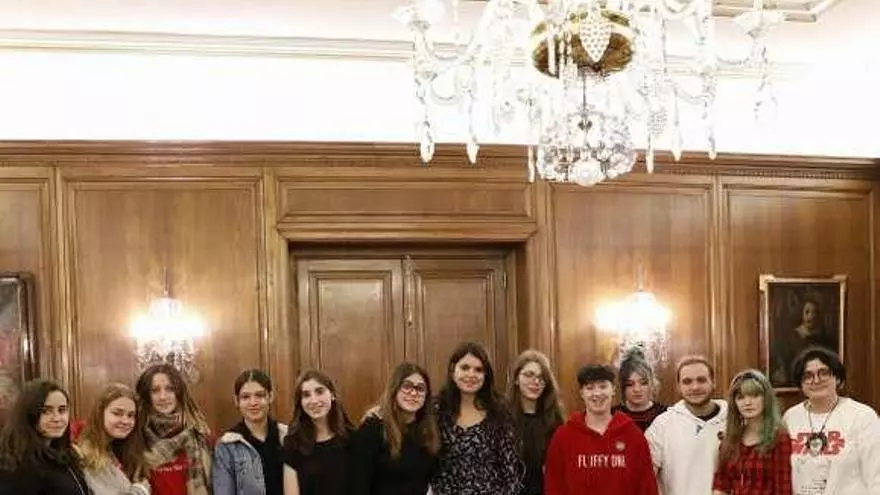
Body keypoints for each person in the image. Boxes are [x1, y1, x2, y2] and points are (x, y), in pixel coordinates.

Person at [544, 364, 658, 495]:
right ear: (582, 393)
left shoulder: (633, 435)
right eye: (590, 388)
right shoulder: (563, 436)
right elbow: (554, 485)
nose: (597, 393)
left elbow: (646, 486)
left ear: (613, 390)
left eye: (603, 386)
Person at [783, 346, 880, 494]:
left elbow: (876, 477)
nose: (816, 380)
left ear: (837, 377)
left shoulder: (863, 416)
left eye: (823, 373)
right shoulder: (790, 417)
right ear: (800, 383)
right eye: (807, 375)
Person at [431, 341, 522, 495]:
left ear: (486, 376)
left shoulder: (499, 412)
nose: (471, 374)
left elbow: (510, 471)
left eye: (479, 370)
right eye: (465, 368)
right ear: (453, 371)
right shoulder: (436, 410)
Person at [349, 362, 439, 495]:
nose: (413, 393)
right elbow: (358, 485)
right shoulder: (372, 429)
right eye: (407, 386)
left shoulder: (428, 430)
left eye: (420, 388)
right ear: (394, 389)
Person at [646, 355, 728, 495]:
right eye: (687, 382)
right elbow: (645, 476)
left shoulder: (734, 420)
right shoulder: (662, 425)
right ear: (678, 387)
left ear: (713, 382)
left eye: (701, 380)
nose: (695, 387)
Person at [0, 379, 90, 494]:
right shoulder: (17, 463)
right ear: (29, 414)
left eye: (62, 410)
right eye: (46, 411)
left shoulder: (65, 454)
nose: (57, 418)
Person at [136, 363, 213, 495]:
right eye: (155, 390)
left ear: (179, 393)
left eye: (170, 389)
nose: (163, 397)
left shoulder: (200, 436)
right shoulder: (135, 438)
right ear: (147, 396)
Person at [712, 369, 791, 495]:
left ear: (766, 399)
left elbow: (783, 489)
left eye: (754, 396)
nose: (747, 403)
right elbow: (721, 482)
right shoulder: (731, 439)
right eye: (741, 397)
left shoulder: (779, 438)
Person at [213, 369, 287, 495]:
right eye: (245, 397)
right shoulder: (227, 445)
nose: (253, 403)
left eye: (260, 395)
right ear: (236, 400)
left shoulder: (287, 436)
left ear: (270, 396)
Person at [281, 369, 352, 495]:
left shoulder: (353, 439)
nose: (314, 400)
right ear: (300, 402)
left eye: (319, 392)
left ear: (332, 395)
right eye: (306, 395)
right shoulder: (293, 444)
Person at [507, 350, 565, 495]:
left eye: (541, 377)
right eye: (529, 375)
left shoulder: (555, 420)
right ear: (516, 379)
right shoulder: (502, 418)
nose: (536, 381)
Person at [76, 383, 150, 494]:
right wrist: (141, 490)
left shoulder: (118, 449)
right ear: (100, 413)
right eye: (117, 413)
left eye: (130, 415)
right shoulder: (88, 456)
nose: (125, 421)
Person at [770, 298, 837, 387]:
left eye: (814, 312)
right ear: (801, 314)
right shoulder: (791, 336)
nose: (811, 316)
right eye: (807, 312)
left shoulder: (823, 339)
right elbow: (785, 362)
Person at [612, 348, 667, 431]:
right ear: (623, 387)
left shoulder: (665, 414)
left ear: (651, 383)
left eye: (643, 383)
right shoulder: (612, 415)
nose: (637, 389)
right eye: (630, 384)